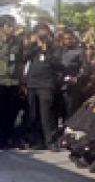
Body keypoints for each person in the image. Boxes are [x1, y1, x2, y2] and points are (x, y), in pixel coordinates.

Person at [23, 24, 62, 150]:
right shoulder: (32, 47)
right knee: (33, 114)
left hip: (46, 84)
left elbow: (57, 64)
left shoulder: (55, 48)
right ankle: (36, 141)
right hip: (32, 84)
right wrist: (36, 46)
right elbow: (24, 57)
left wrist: (46, 50)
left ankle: (50, 141)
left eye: (45, 35)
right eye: (40, 35)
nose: (43, 37)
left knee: (46, 114)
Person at [0, 15, 23, 148]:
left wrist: (21, 81)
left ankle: (6, 138)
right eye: (10, 26)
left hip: (13, 82)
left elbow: (19, 63)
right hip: (0, 81)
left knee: (10, 112)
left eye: (13, 25)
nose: (13, 28)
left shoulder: (17, 42)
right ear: (2, 27)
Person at [58, 30, 87, 125]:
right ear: (62, 40)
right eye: (66, 39)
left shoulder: (79, 52)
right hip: (58, 84)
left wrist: (77, 78)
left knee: (70, 110)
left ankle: (69, 130)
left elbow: (84, 68)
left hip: (72, 85)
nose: (68, 40)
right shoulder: (58, 50)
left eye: (70, 38)